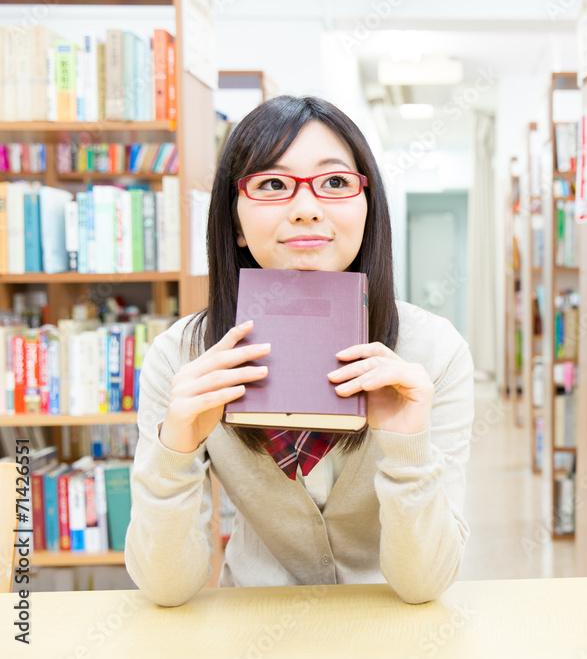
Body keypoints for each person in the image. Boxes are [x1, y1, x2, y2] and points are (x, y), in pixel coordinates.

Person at [124, 95, 474, 607]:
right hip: (251, 624)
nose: (307, 208)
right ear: (236, 222)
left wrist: (407, 447)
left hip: (389, 628)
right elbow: (165, 589)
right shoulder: (182, 358)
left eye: (335, 183)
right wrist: (174, 448)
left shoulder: (433, 353)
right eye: (271, 184)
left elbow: (425, 584)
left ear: (367, 207)